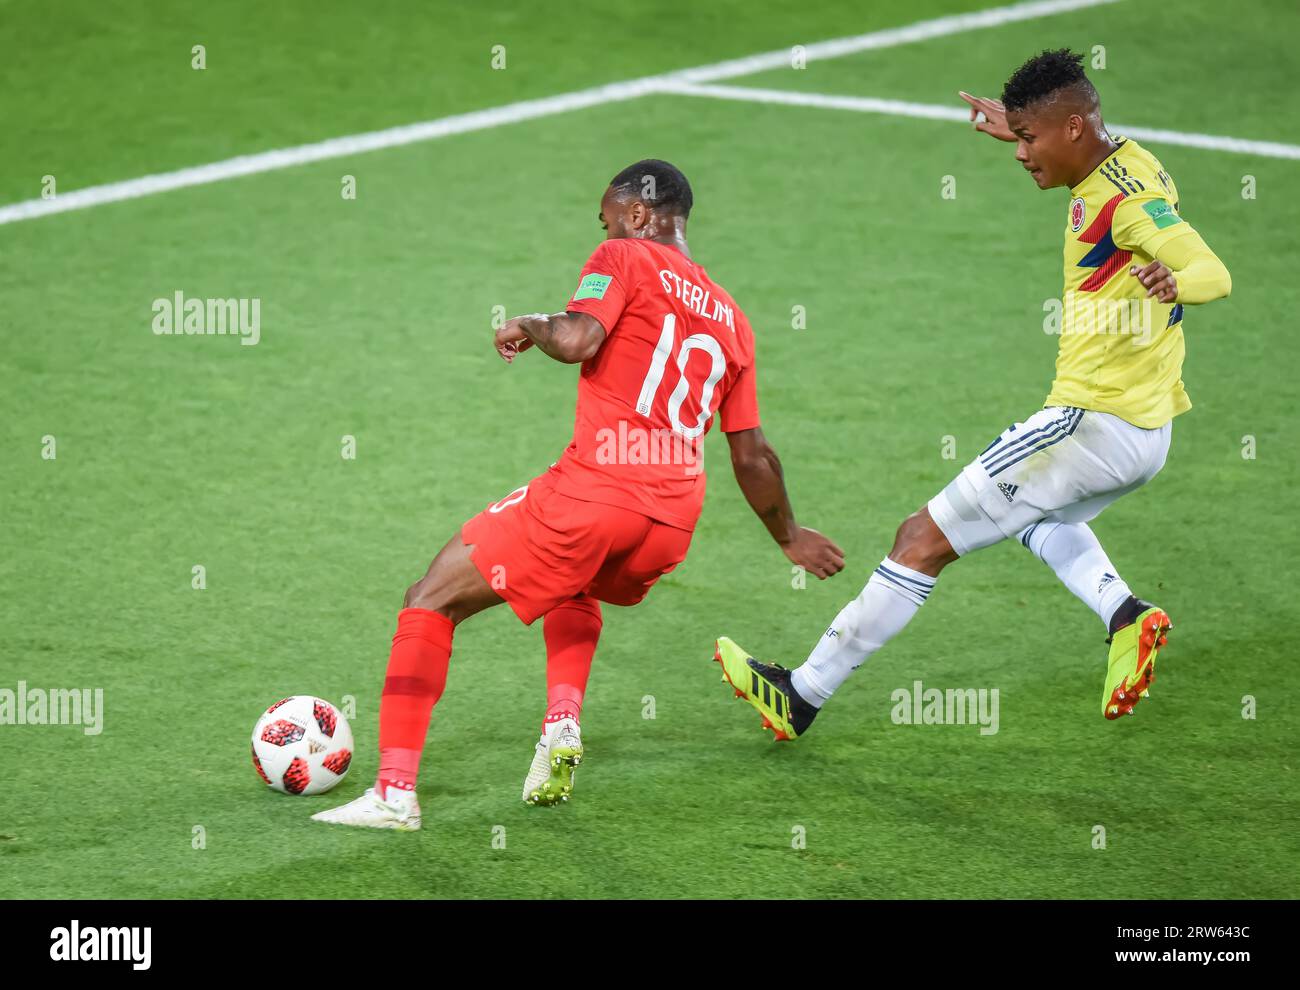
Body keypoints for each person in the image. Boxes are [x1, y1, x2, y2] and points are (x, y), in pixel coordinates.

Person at [715, 50, 1231, 740]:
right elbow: (1102, 173)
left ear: (1074, 127)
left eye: (1029, 139)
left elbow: (1210, 270)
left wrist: (1178, 281)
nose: (1020, 154)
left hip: (1090, 424)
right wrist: (1021, 125)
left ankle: (800, 695)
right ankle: (1125, 616)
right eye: (1015, 138)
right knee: (1033, 520)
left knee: (920, 538)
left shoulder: (1127, 204)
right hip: (1146, 431)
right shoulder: (1130, 160)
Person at [313, 159, 843, 829]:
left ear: (640, 214)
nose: (605, 228)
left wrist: (529, 322)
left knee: (429, 598)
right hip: (671, 523)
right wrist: (790, 537)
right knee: (577, 583)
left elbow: (575, 339)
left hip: (597, 497)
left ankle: (393, 794)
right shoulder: (735, 321)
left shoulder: (624, 256)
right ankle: (561, 722)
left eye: (609, 216)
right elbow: (752, 454)